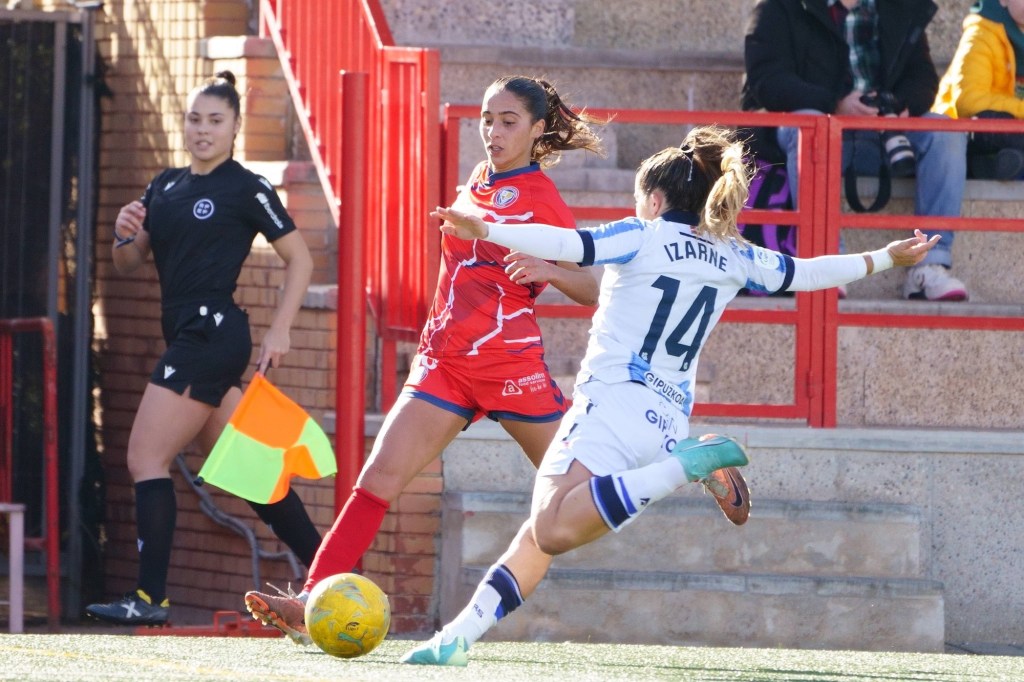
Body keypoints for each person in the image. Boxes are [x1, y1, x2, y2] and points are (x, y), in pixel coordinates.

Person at [401, 125, 940, 666]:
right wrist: (890, 258)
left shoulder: (642, 232)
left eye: (641, 198)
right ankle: (457, 639)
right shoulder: (733, 253)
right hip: (663, 419)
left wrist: (487, 226)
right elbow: (810, 272)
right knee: (538, 536)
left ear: (655, 200)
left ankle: (687, 466)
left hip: (610, 404)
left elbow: (570, 245)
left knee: (551, 528)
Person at [243, 75, 751, 646]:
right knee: (376, 479)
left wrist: (550, 271)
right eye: (487, 119)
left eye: (508, 121)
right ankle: (313, 600)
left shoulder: (542, 198)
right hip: (444, 363)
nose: (493, 131)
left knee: (580, 498)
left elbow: (591, 287)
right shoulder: (479, 179)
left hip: (511, 370)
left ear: (537, 131)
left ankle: (693, 462)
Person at [84, 71, 322, 626]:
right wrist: (122, 233)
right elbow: (129, 260)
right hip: (193, 339)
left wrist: (281, 329)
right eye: (195, 119)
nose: (203, 130)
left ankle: (148, 600)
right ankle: (333, 570)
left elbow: (301, 259)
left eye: (216, 120)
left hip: (210, 337)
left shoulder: (246, 187)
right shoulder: (163, 186)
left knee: (145, 457)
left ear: (236, 127)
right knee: (252, 473)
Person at [742, 0, 970, 301]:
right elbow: (766, 80)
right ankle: (827, 266)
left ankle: (930, 266)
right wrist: (835, 104)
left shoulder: (898, 8)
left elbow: (922, 78)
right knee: (812, 126)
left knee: (946, 132)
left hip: (885, 132)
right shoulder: (780, 7)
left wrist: (902, 105)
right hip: (816, 127)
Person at [934, 0, 1024, 180]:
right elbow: (968, 100)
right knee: (995, 120)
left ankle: (996, 164)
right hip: (966, 134)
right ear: (1003, 1)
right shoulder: (980, 33)